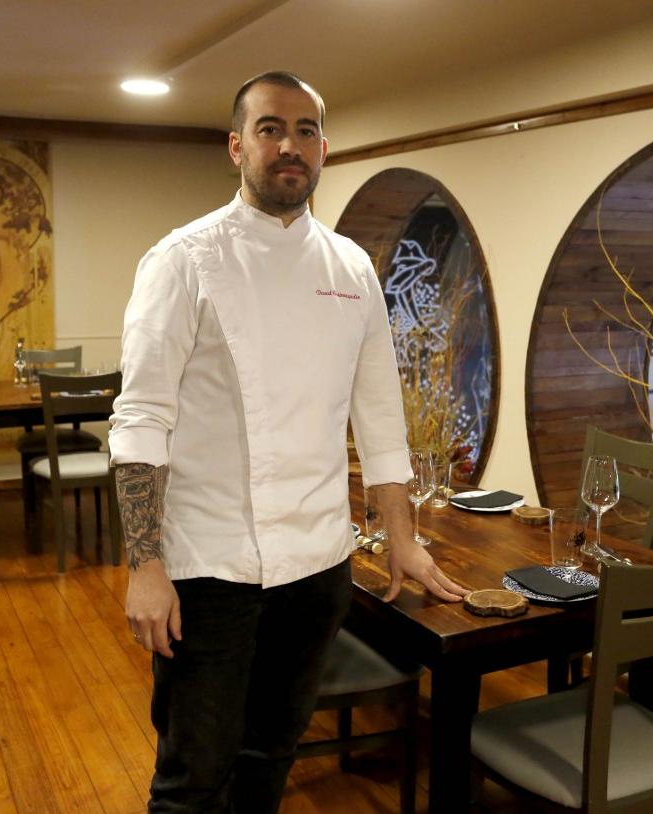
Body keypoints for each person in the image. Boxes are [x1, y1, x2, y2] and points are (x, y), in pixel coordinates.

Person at [109, 70, 469, 814]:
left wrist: (402, 539)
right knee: (192, 778)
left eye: (306, 131)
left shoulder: (351, 267)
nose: (289, 146)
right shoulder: (182, 259)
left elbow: (380, 417)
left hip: (317, 566)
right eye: (270, 129)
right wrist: (145, 566)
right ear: (236, 146)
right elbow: (141, 422)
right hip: (210, 567)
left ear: (323, 150)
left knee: (271, 754)